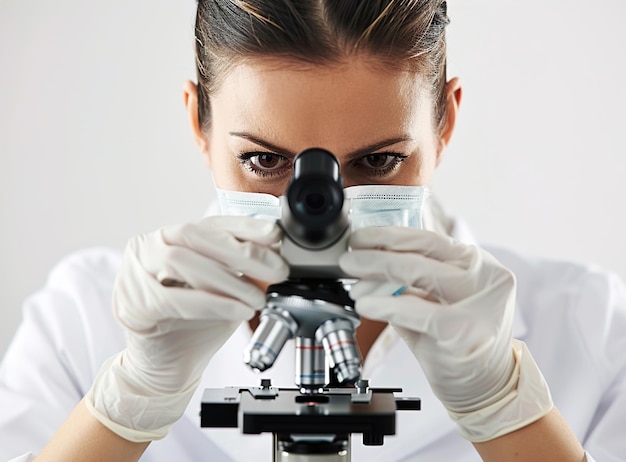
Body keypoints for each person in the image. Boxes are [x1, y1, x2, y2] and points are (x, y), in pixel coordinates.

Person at [1, 1, 625, 460]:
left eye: (379, 162)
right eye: (265, 162)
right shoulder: (80, 320)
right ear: (198, 122)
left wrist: (507, 408)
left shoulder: (591, 328)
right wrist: (126, 402)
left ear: (444, 123)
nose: (319, 207)